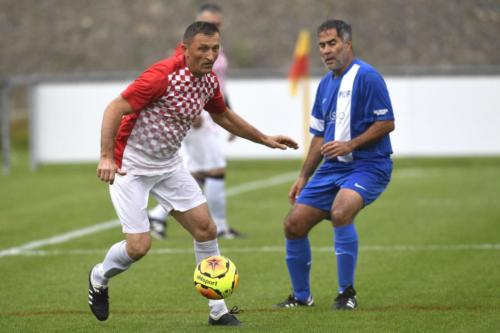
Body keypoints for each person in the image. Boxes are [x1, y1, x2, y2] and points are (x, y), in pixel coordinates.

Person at [89, 21, 298, 326]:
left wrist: (264, 138)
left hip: (169, 165)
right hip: (130, 165)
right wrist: (106, 156)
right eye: (203, 48)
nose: (210, 55)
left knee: (205, 229)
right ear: (185, 49)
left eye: (215, 48)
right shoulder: (161, 76)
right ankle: (99, 276)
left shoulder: (209, 82)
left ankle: (218, 310)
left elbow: (223, 115)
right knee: (139, 247)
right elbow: (114, 108)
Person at [275, 19, 395, 310]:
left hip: (369, 165)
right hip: (332, 169)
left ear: (347, 44)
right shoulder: (325, 85)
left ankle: (346, 293)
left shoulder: (367, 77)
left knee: (341, 212)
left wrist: (350, 145)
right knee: (293, 224)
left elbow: (387, 122)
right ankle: (301, 297)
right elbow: (318, 137)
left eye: (332, 43)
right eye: (322, 45)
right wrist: (303, 176)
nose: (327, 50)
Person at [148, 3, 242, 240]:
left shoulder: (217, 50)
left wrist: (229, 115)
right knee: (216, 169)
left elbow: (218, 86)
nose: (215, 26)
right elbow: (178, 80)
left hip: (212, 114)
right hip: (197, 116)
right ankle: (220, 226)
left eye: (218, 23)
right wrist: (195, 113)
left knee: (199, 173)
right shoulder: (189, 51)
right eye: (210, 22)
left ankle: (157, 215)